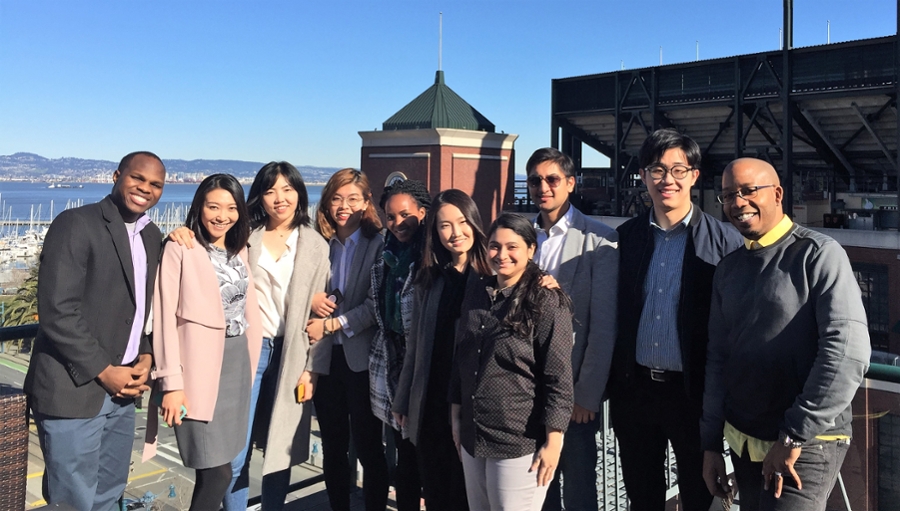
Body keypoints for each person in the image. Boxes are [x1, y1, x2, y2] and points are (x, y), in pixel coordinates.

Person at [701, 157, 871, 511]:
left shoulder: (818, 255)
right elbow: (718, 358)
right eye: (728, 195)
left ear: (777, 194)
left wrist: (795, 433)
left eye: (749, 191)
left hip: (806, 444)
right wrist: (711, 444)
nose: (737, 203)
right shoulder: (729, 268)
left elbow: (847, 353)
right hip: (744, 441)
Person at [609, 128, 743, 511]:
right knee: (643, 498)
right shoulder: (625, 239)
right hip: (635, 393)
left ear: (694, 176)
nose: (667, 180)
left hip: (693, 397)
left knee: (698, 498)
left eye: (678, 170)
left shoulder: (725, 242)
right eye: (656, 169)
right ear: (643, 176)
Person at [24, 151, 165, 511]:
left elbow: (142, 310)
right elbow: (57, 310)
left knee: (109, 490)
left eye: (155, 185)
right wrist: (106, 371)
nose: (144, 189)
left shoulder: (152, 236)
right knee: (72, 498)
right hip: (75, 389)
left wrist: (146, 352)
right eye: (138, 178)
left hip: (123, 393)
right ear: (117, 175)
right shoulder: (76, 223)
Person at [146, 174, 262, 511]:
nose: (221, 215)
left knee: (222, 466)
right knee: (217, 473)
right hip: (197, 369)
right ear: (199, 206)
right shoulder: (180, 247)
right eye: (213, 206)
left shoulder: (238, 248)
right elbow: (165, 319)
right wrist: (171, 383)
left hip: (236, 362)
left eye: (231, 208)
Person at [450, 212, 574, 511]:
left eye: (511, 247)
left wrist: (553, 440)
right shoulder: (477, 291)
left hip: (518, 440)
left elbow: (558, 378)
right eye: (494, 246)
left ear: (531, 249)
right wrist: (456, 417)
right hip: (473, 433)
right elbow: (462, 359)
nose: (501, 255)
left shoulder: (546, 301)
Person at [525, 147, 618, 511]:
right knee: (538, 488)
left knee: (579, 490)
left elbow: (604, 325)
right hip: (526, 389)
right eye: (535, 180)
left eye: (552, 179)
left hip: (573, 392)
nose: (542, 187)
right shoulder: (520, 237)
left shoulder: (600, 239)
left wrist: (587, 394)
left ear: (570, 183)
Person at [391, 189, 491, 511]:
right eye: (444, 226)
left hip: (470, 405)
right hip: (432, 401)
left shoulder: (492, 277)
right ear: (434, 232)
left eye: (462, 222)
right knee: (434, 491)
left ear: (474, 223)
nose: (455, 233)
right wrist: (404, 397)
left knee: (467, 495)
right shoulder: (428, 278)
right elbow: (415, 346)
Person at [305, 168, 390, 511]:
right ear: (326, 203)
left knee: (370, 447)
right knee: (333, 445)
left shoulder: (379, 244)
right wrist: (311, 301)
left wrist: (332, 324)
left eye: (353, 198)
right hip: (325, 361)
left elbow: (376, 305)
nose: (344, 206)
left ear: (367, 202)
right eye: (337, 198)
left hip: (362, 359)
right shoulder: (318, 244)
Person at [369, 179, 429, 511]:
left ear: (422, 212)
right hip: (393, 360)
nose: (398, 223)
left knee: (426, 454)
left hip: (423, 362)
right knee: (403, 451)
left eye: (405, 215)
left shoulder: (434, 254)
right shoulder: (385, 253)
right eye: (390, 217)